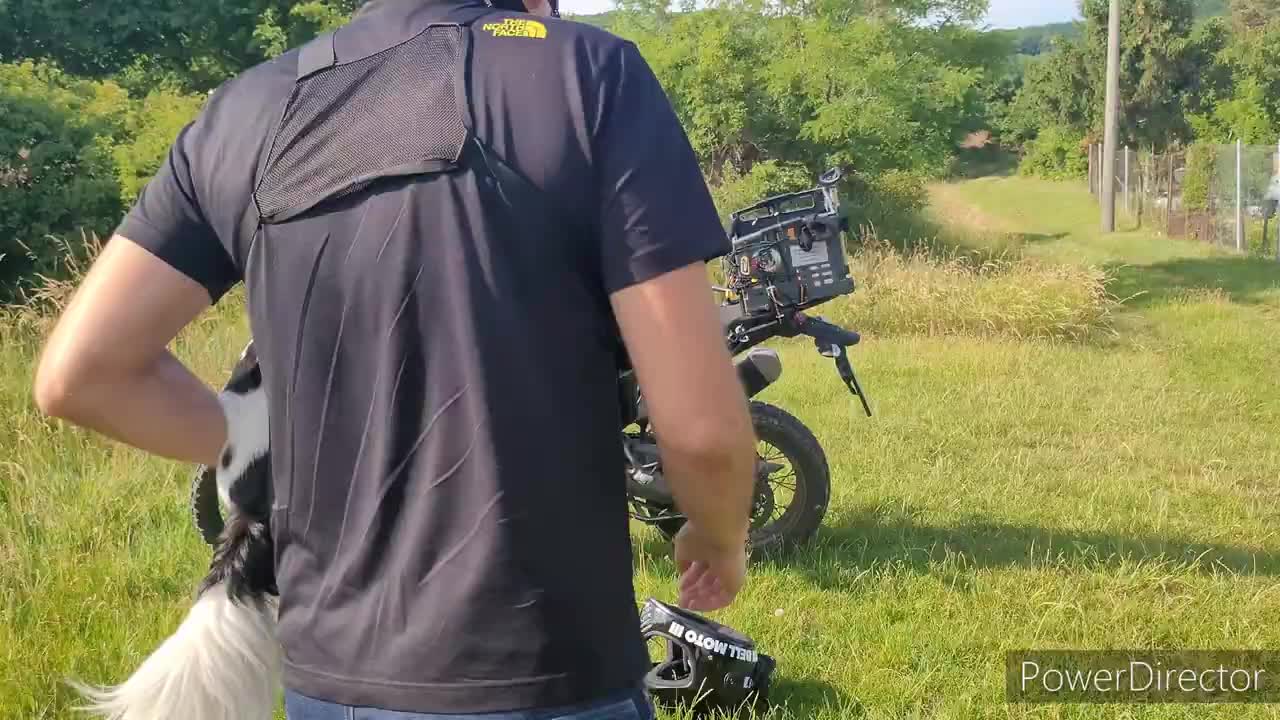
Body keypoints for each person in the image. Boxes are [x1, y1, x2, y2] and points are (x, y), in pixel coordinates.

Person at [32, 0, 759, 718]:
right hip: (545, 670)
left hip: (329, 680)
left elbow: (82, 374)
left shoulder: (240, 111)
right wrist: (715, 539)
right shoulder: (588, 71)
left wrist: (282, 447)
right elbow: (701, 434)